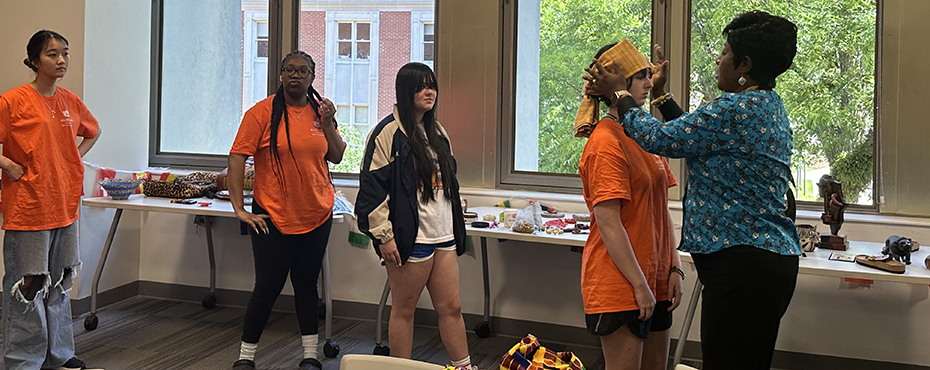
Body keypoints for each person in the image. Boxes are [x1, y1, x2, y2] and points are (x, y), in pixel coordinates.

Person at [584, 11, 801, 370]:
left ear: (744, 64)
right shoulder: (765, 104)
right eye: (638, 77)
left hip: (744, 266)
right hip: (760, 264)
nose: (719, 59)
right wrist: (663, 97)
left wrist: (619, 92)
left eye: (726, 52)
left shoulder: (737, 108)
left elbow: (659, 138)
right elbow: (696, 136)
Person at [227, 50, 346, 370]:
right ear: (280, 75)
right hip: (273, 217)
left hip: (317, 214)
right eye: (289, 70)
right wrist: (240, 208)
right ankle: (245, 358)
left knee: (307, 285)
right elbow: (237, 157)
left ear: (312, 76)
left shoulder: (320, 112)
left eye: (302, 70)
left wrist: (327, 122)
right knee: (267, 286)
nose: (295, 75)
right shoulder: (261, 113)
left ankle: (310, 356)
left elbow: (336, 156)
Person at [357, 62, 475, 370]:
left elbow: (446, 181)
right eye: (422, 86)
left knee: (452, 307)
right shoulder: (386, 133)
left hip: (444, 235)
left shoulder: (437, 131)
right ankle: (401, 367)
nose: (429, 91)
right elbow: (371, 191)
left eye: (432, 85)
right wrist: (384, 236)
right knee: (405, 309)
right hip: (411, 239)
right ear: (405, 91)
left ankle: (463, 366)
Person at [576, 39, 683, 370]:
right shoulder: (606, 141)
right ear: (618, 86)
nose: (650, 84)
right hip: (622, 282)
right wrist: (639, 283)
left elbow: (659, 208)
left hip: (656, 278)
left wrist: (673, 265)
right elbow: (609, 222)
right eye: (641, 77)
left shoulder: (643, 134)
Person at [0, 30, 101, 370]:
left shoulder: (69, 100)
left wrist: (73, 153)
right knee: (28, 285)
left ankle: (58, 354)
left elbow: (93, 130)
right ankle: (22, 360)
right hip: (28, 206)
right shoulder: (12, 101)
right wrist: (8, 164)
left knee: (58, 282)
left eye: (65, 54)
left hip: (64, 204)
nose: (61, 61)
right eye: (52, 54)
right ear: (33, 61)